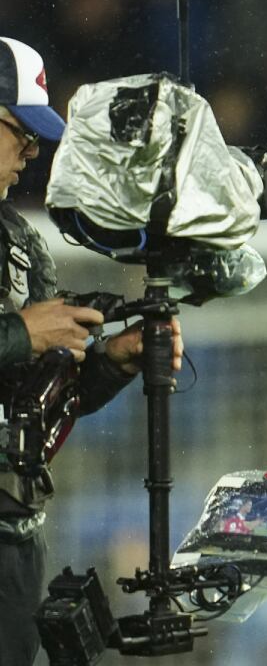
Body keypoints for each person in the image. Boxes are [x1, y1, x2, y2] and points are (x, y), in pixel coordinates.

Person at [0, 36, 184, 666]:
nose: (31, 151)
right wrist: (24, 332)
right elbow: (25, 339)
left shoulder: (20, 244)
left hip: (15, 536)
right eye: (18, 131)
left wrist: (114, 362)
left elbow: (45, 400)